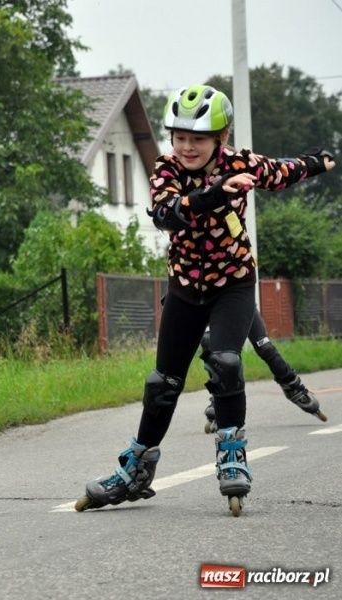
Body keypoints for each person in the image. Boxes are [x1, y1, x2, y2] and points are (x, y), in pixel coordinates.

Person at [75, 84, 335, 517]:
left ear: (222, 137)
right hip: (184, 288)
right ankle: (136, 469)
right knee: (163, 385)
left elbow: (278, 171)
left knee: (227, 362)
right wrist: (217, 192)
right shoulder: (167, 169)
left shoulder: (240, 161)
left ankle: (232, 453)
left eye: (197, 138)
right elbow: (166, 214)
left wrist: (317, 162)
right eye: (179, 137)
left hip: (233, 284)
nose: (187, 147)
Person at [202, 308, 326, 433]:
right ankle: (220, 400)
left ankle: (293, 387)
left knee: (264, 347)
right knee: (211, 345)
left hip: (239, 296)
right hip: (210, 300)